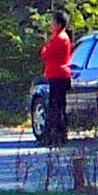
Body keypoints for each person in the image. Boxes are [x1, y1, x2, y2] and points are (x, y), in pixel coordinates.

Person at [36, 16, 73, 145]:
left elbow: (46, 54)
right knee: (58, 105)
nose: (50, 25)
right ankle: (59, 134)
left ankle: (56, 135)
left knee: (55, 106)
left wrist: (45, 47)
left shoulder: (59, 38)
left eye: (52, 23)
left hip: (58, 75)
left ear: (58, 24)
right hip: (59, 75)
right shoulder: (61, 37)